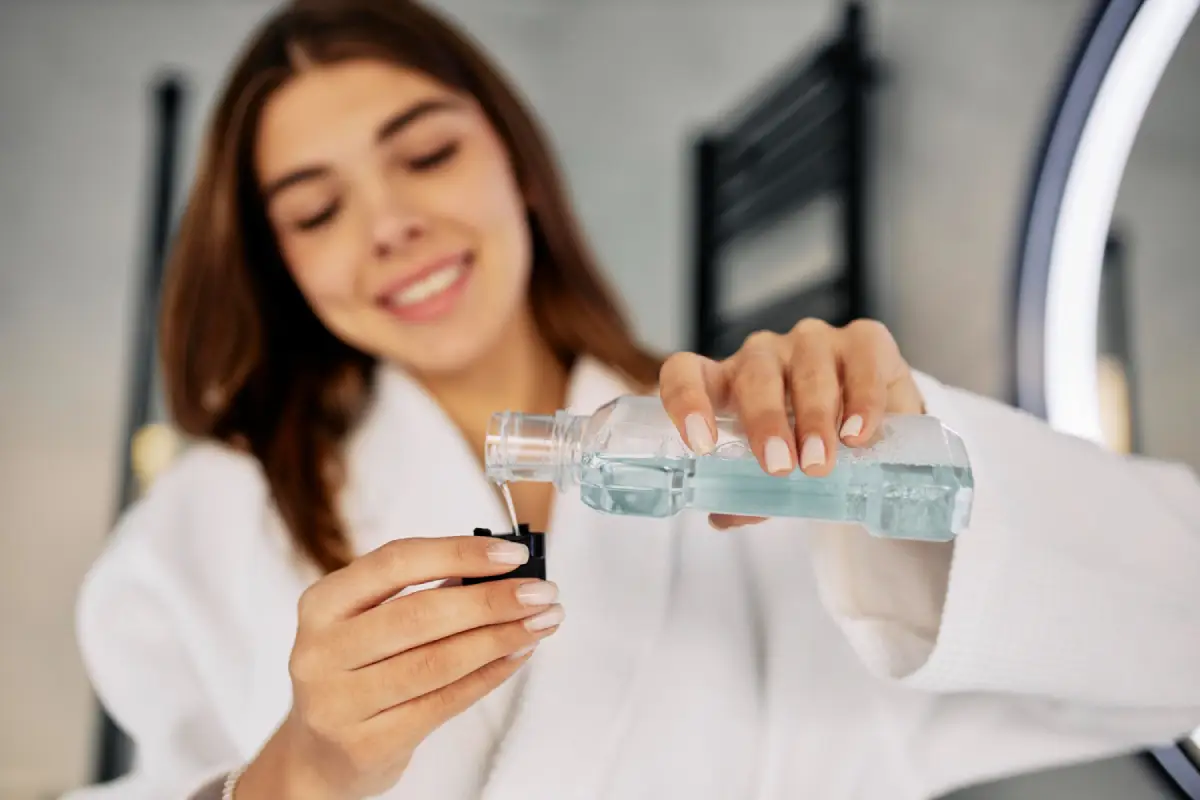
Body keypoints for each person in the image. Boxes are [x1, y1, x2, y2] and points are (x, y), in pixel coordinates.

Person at [65, 1, 1200, 799]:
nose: (389, 225)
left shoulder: (770, 469)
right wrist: (297, 776)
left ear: (513, 160)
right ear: (282, 266)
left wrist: (919, 489)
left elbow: (1175, 629)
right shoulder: (199, 527)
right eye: (315, 213)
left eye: (426, 153)